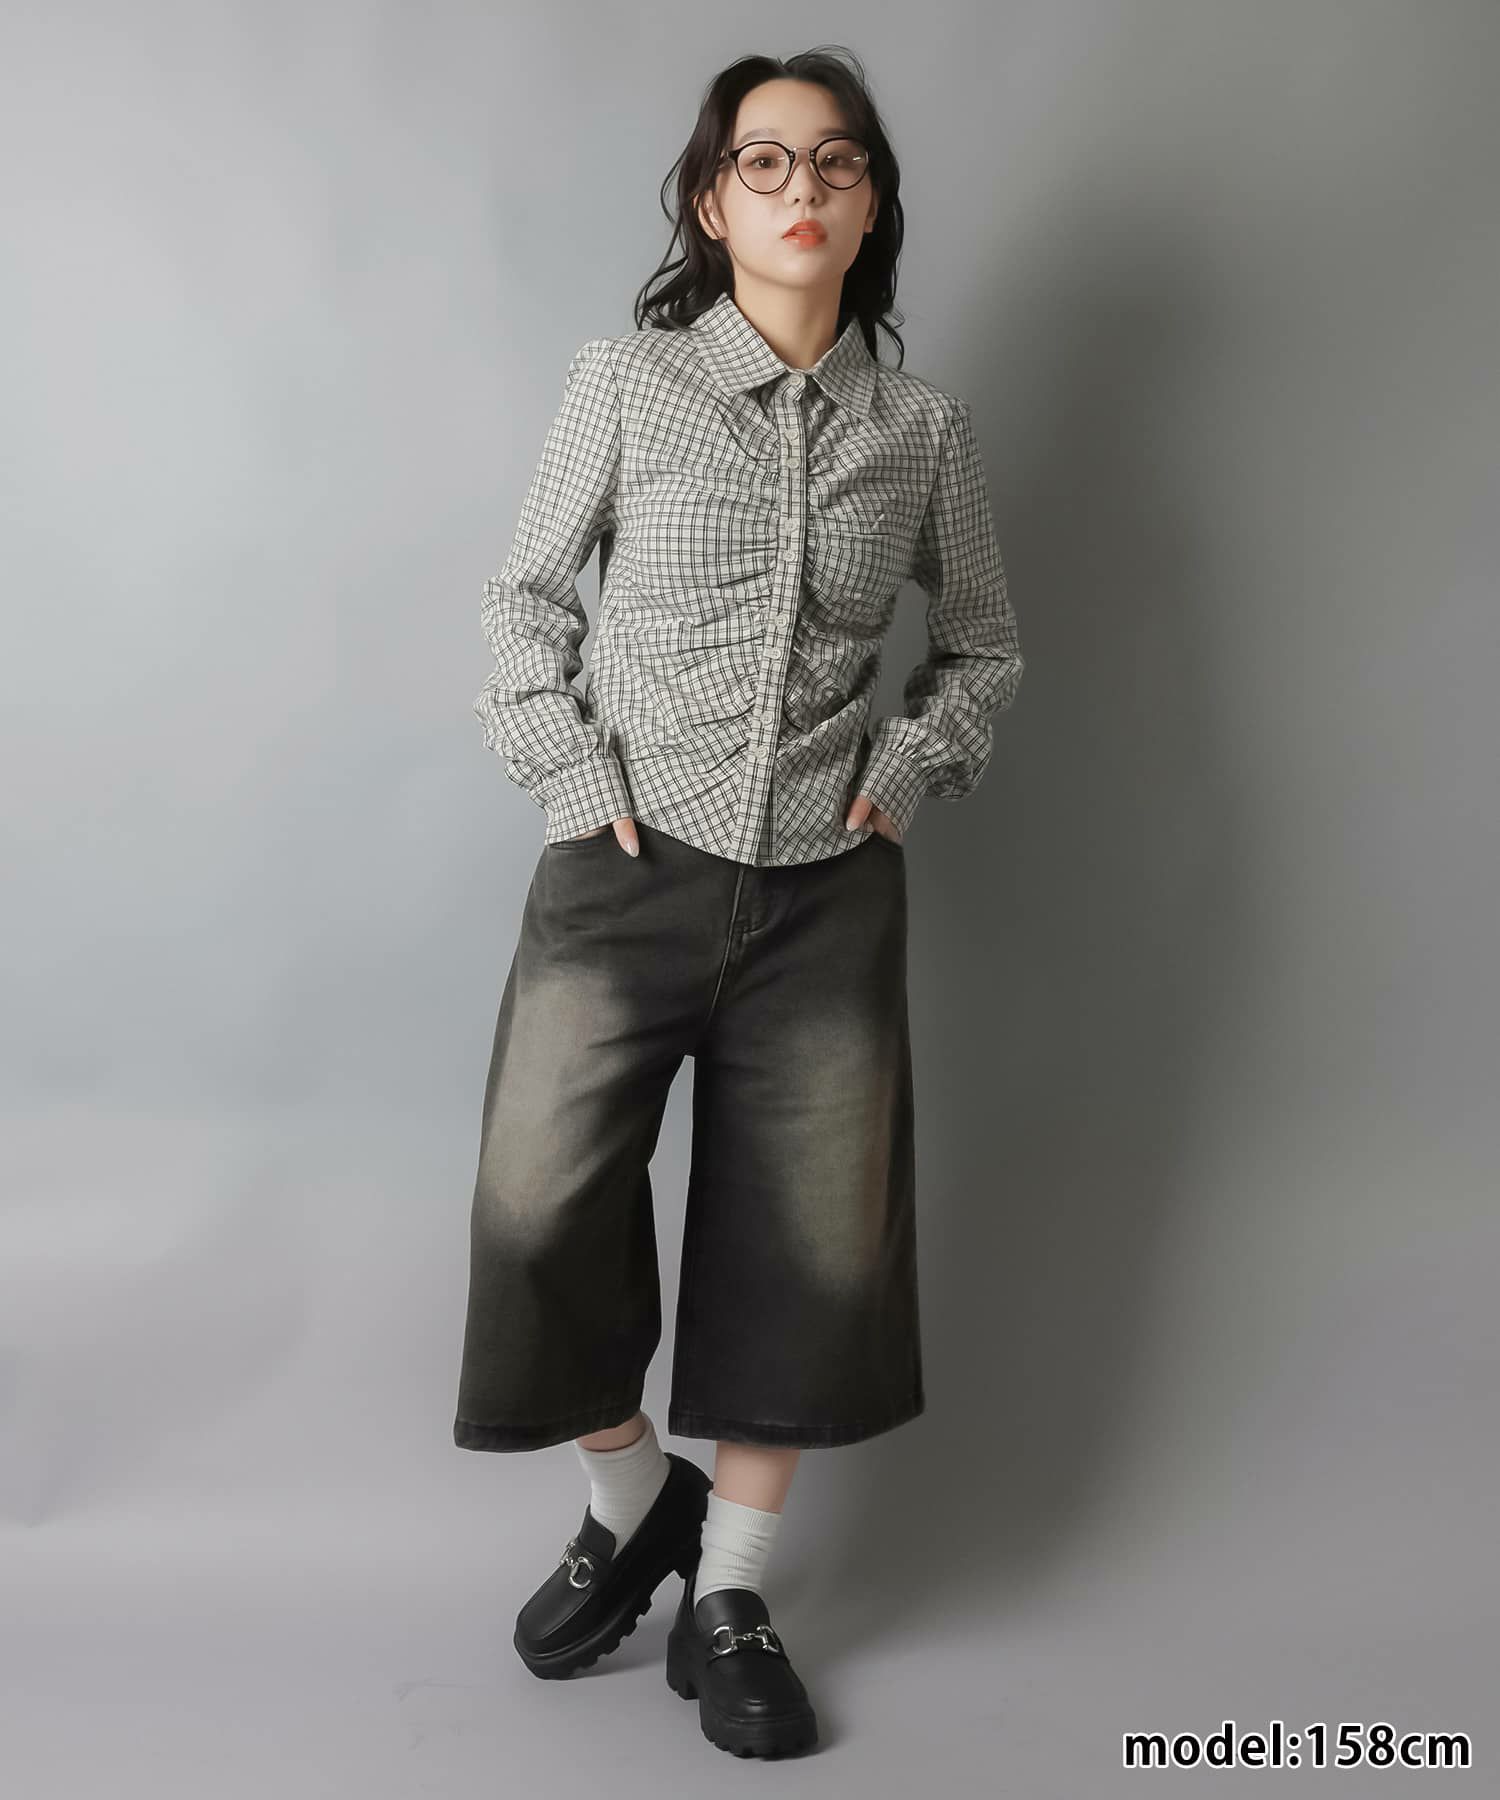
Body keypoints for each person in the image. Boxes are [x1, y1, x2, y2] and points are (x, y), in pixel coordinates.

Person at [453, 46, 1023, 1759]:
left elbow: (985, 650)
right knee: (535, 1210)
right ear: (713, 203)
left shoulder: (923, 433)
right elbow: (522, 605)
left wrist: (910, 769)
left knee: (811, 1249)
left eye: (836, 163)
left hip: (828, 896)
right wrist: (571, 776)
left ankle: (733, 1588)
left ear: (872, 206)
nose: (801, 189)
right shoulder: (627, 383)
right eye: (763, 162)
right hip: (625, 869)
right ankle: (639, 1500)